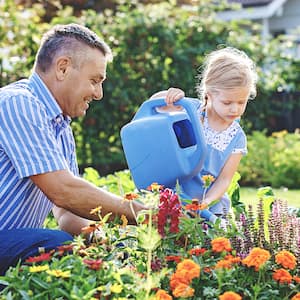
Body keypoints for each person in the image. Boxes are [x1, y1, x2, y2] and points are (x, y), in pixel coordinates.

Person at [0, 23, 145, 275]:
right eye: (94, 80)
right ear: (63, 67)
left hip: (8, 244)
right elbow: (64, 192)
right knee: (56, 246)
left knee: (72, 250)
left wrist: (105, 245)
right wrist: (142, 214)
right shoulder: (19, 104)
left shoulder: (61, 128)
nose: (98, 94)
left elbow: (67, 213)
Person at [150, 47, 258, 223]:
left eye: (241, 102)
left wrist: (206, 203)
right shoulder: (190, 110)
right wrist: (169, 95)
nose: (235, 109)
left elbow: (224, 180)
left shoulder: (237, 137)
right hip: (175, 202)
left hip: (211, 210)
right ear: (209, 94)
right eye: (227, 102)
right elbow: (154, 107)